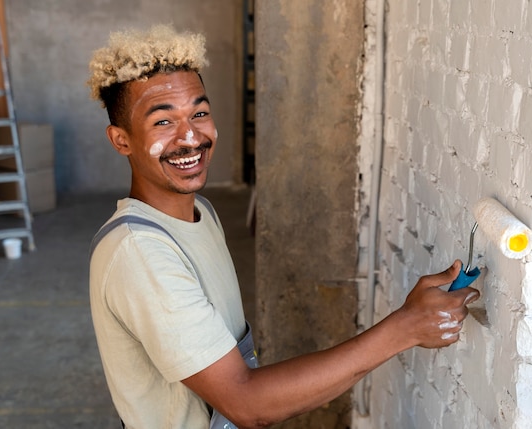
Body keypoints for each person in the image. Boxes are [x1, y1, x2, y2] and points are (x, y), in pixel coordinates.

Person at [87, 24, 480, 429]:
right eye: (163, 122)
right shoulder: (139, 252)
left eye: (199, 113)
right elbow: (245, 403)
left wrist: (408, 322)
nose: (191, 137)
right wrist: (406, 326)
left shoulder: (201, 212)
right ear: (121, 140)